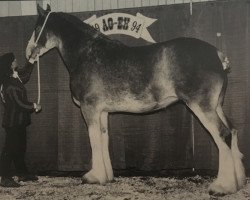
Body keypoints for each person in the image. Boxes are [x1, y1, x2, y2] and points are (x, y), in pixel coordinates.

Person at [0, 52, 41, 187]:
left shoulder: (14, 77)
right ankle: (5, 177)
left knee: (20, 148)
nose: (17, 60)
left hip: (19, 121)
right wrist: (34, 106)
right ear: (11, 64)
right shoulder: (8, 84)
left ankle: (22, 173)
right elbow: (18, 104)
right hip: (13, 122)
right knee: (10, 149)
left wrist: (32, 59)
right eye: (15, 60)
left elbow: (25, 75)